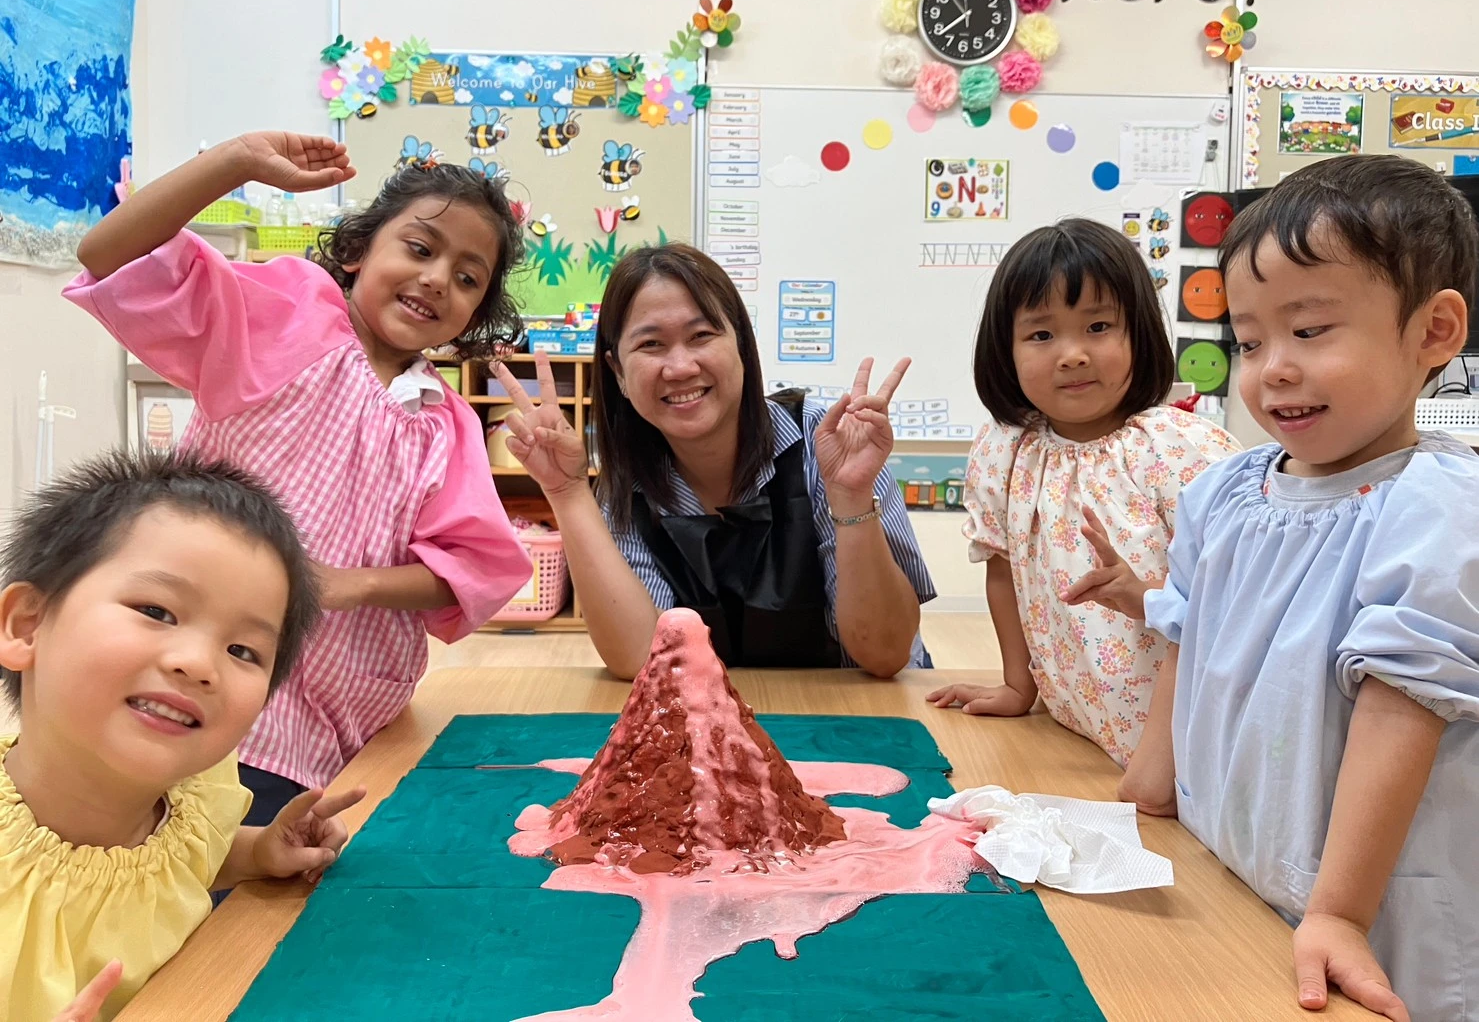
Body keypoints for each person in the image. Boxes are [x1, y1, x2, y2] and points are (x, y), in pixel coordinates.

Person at [68, 134, 533, 825]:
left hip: (330, 731)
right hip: (187, 679)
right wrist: (235, 163)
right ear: (356, 252)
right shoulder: (286, 312)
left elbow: (474, 568)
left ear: (475, 314)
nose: (438, 278)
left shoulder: (448, 424)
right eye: (419, 248)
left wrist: (356, 583)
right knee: (137, 857)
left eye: (468, 278)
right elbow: (109, 255)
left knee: (263, 893)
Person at [1132, 155, 1478, 1021]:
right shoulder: (1222, 490)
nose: (1271, 369)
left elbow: (1402, 706)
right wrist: (1143, 791)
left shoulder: (1436, 506)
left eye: (1311, 330)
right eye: (1248, 342)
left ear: (1433, 332)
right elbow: (1186, 647)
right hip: (1232, 879)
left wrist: (1337, 911)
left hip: (1367, 912)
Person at [0, 450, 364, 1022]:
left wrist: (258, 852)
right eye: (157, 610)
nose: (199, 664)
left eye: (243, 650)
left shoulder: (193, 798)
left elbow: (172, 873)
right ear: (27, 626)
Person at [495, 243, 935, 678]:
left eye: (701, 335)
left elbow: (885, 653)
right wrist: (567, 492)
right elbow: (640, 661)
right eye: (651, 344)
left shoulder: (830, 445)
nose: (681, 366)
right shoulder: (626, 490)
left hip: (850, 716)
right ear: (618, 373)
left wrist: (852, 496)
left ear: (741, 343)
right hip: (711, 727)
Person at [927, 219, 1239, 791]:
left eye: (1098, 326)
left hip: (1184, 750)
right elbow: (1003, 569)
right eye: (1042, 335)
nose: (1072, 355)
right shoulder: (1006, 448)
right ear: (1007, 350)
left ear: (1139, 334)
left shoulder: (1182, 450)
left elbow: (1236, 606)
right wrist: (1019, 687)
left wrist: (1143, 596)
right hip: (1078, 731)